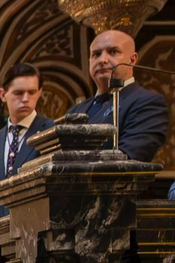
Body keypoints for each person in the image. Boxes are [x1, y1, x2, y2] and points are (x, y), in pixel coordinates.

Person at [64, 29, 169, 163]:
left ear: (132, 59)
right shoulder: (75, 110)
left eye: (113, 52)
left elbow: (131, 154)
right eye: (96, 54)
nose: (102, 60)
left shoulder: (147, 102)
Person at [0, 62, 55, 221]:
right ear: (3, 94)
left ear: (40, 92)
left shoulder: (51, 131)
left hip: (39, 227)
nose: (26, 99)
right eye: (18, 93)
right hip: (2, 231)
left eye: (32, 92)